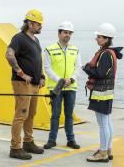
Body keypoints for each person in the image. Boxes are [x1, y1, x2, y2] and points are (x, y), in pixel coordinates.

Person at [5, 9, 45, 160]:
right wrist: (21, 73)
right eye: (38, 24)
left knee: (31, 114)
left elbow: (37, 59)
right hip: (22, 83)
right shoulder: (19, 38)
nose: (40, 26)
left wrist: (41, 76)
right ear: (29, 23)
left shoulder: (35, 40)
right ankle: (15, 147)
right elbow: (9, 54)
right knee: (21, 115)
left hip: (35, 84)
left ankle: (28, 142)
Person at [82, 23, 123, 162]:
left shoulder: (105, 54)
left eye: (99, 37)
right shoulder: (110, 53)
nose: (96, 39)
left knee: (103, 123)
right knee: (107, 121)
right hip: (106, 93)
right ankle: (108, 148)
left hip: (101, 93)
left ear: (106, 39)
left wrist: (86, 68)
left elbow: (99, 73)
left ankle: (103, 152)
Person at [43, 21, 81, 150]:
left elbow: (78, 67)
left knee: (69, 115)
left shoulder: (75, 49)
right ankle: (51, 140)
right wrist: (60, 81)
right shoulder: (49, 49)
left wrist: (71, 79)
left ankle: (71, 140)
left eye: (70, 33)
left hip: (71, 87)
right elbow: (47, 68)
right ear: (59, 33)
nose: (68, 35)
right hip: (55, 88)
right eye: (65, 32)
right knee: (55, 115)